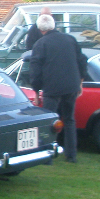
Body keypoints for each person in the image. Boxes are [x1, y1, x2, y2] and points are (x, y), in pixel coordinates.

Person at [29, 13, 88, 163]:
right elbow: (82, 61)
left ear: (40, 29)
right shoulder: (70, 39)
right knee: (69, 120)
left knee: (50, 122)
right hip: (71, 85)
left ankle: (48, 155)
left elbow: (36, 71)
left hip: (52, 88)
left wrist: (36, 91)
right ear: (54, 26)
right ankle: (71, 155)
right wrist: (80, 82)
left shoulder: (40, 44)